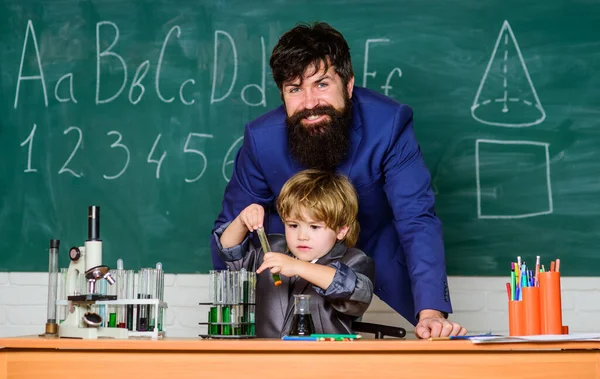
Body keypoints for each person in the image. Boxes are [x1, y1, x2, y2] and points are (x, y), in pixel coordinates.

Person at [212, 21, 467, 339]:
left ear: (348, 85)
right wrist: (234, 313)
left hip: (376, 249)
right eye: (294, 89)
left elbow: (416, 218)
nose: (309, 103)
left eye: (321, 85)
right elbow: (228, 232)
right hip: (286, 268)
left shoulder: (389, 124)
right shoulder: (261, 139)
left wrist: (431, 310)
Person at [213, 169, 375, 338]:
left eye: (314, 227)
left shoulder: (354, 260)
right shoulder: (272, 249)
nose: (302, 236)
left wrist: (297, 267)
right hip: (268, 357)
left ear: (341, 230)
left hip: (325, 360)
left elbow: (353, 290)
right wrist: (241, 221)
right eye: (293, 225)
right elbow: (230, 250)